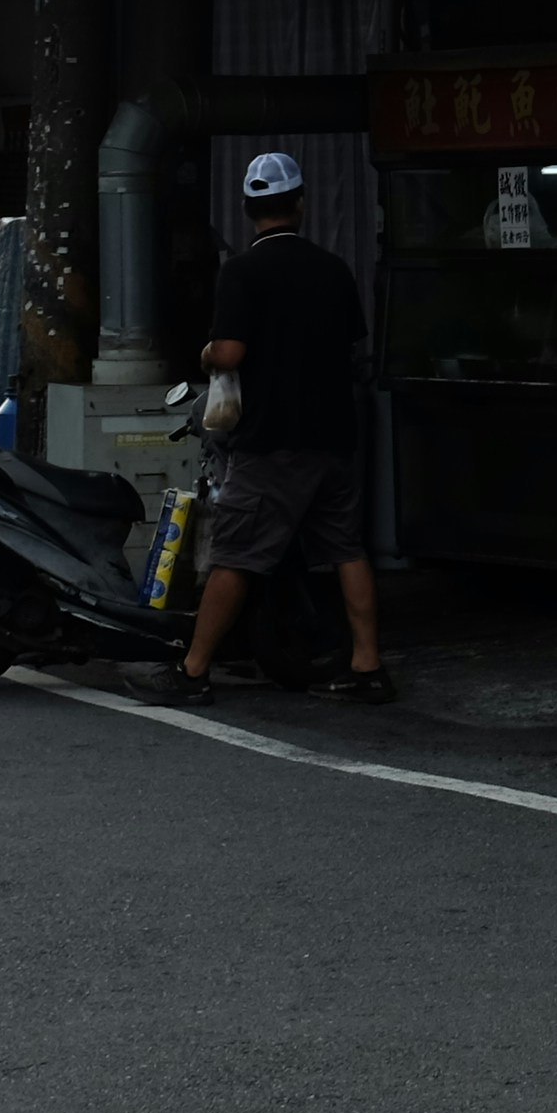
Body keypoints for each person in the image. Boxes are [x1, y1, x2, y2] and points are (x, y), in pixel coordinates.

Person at [153, 153, 387, 706]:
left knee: (235, 553)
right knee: (346, 549)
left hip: (273, 441)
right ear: (300, 205)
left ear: (247, 210)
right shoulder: (333, 269)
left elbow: (231, 352)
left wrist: (208, 350)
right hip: (334, 435)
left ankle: (193, 672)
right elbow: (352, 344)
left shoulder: (242, 271)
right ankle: (368, 666)